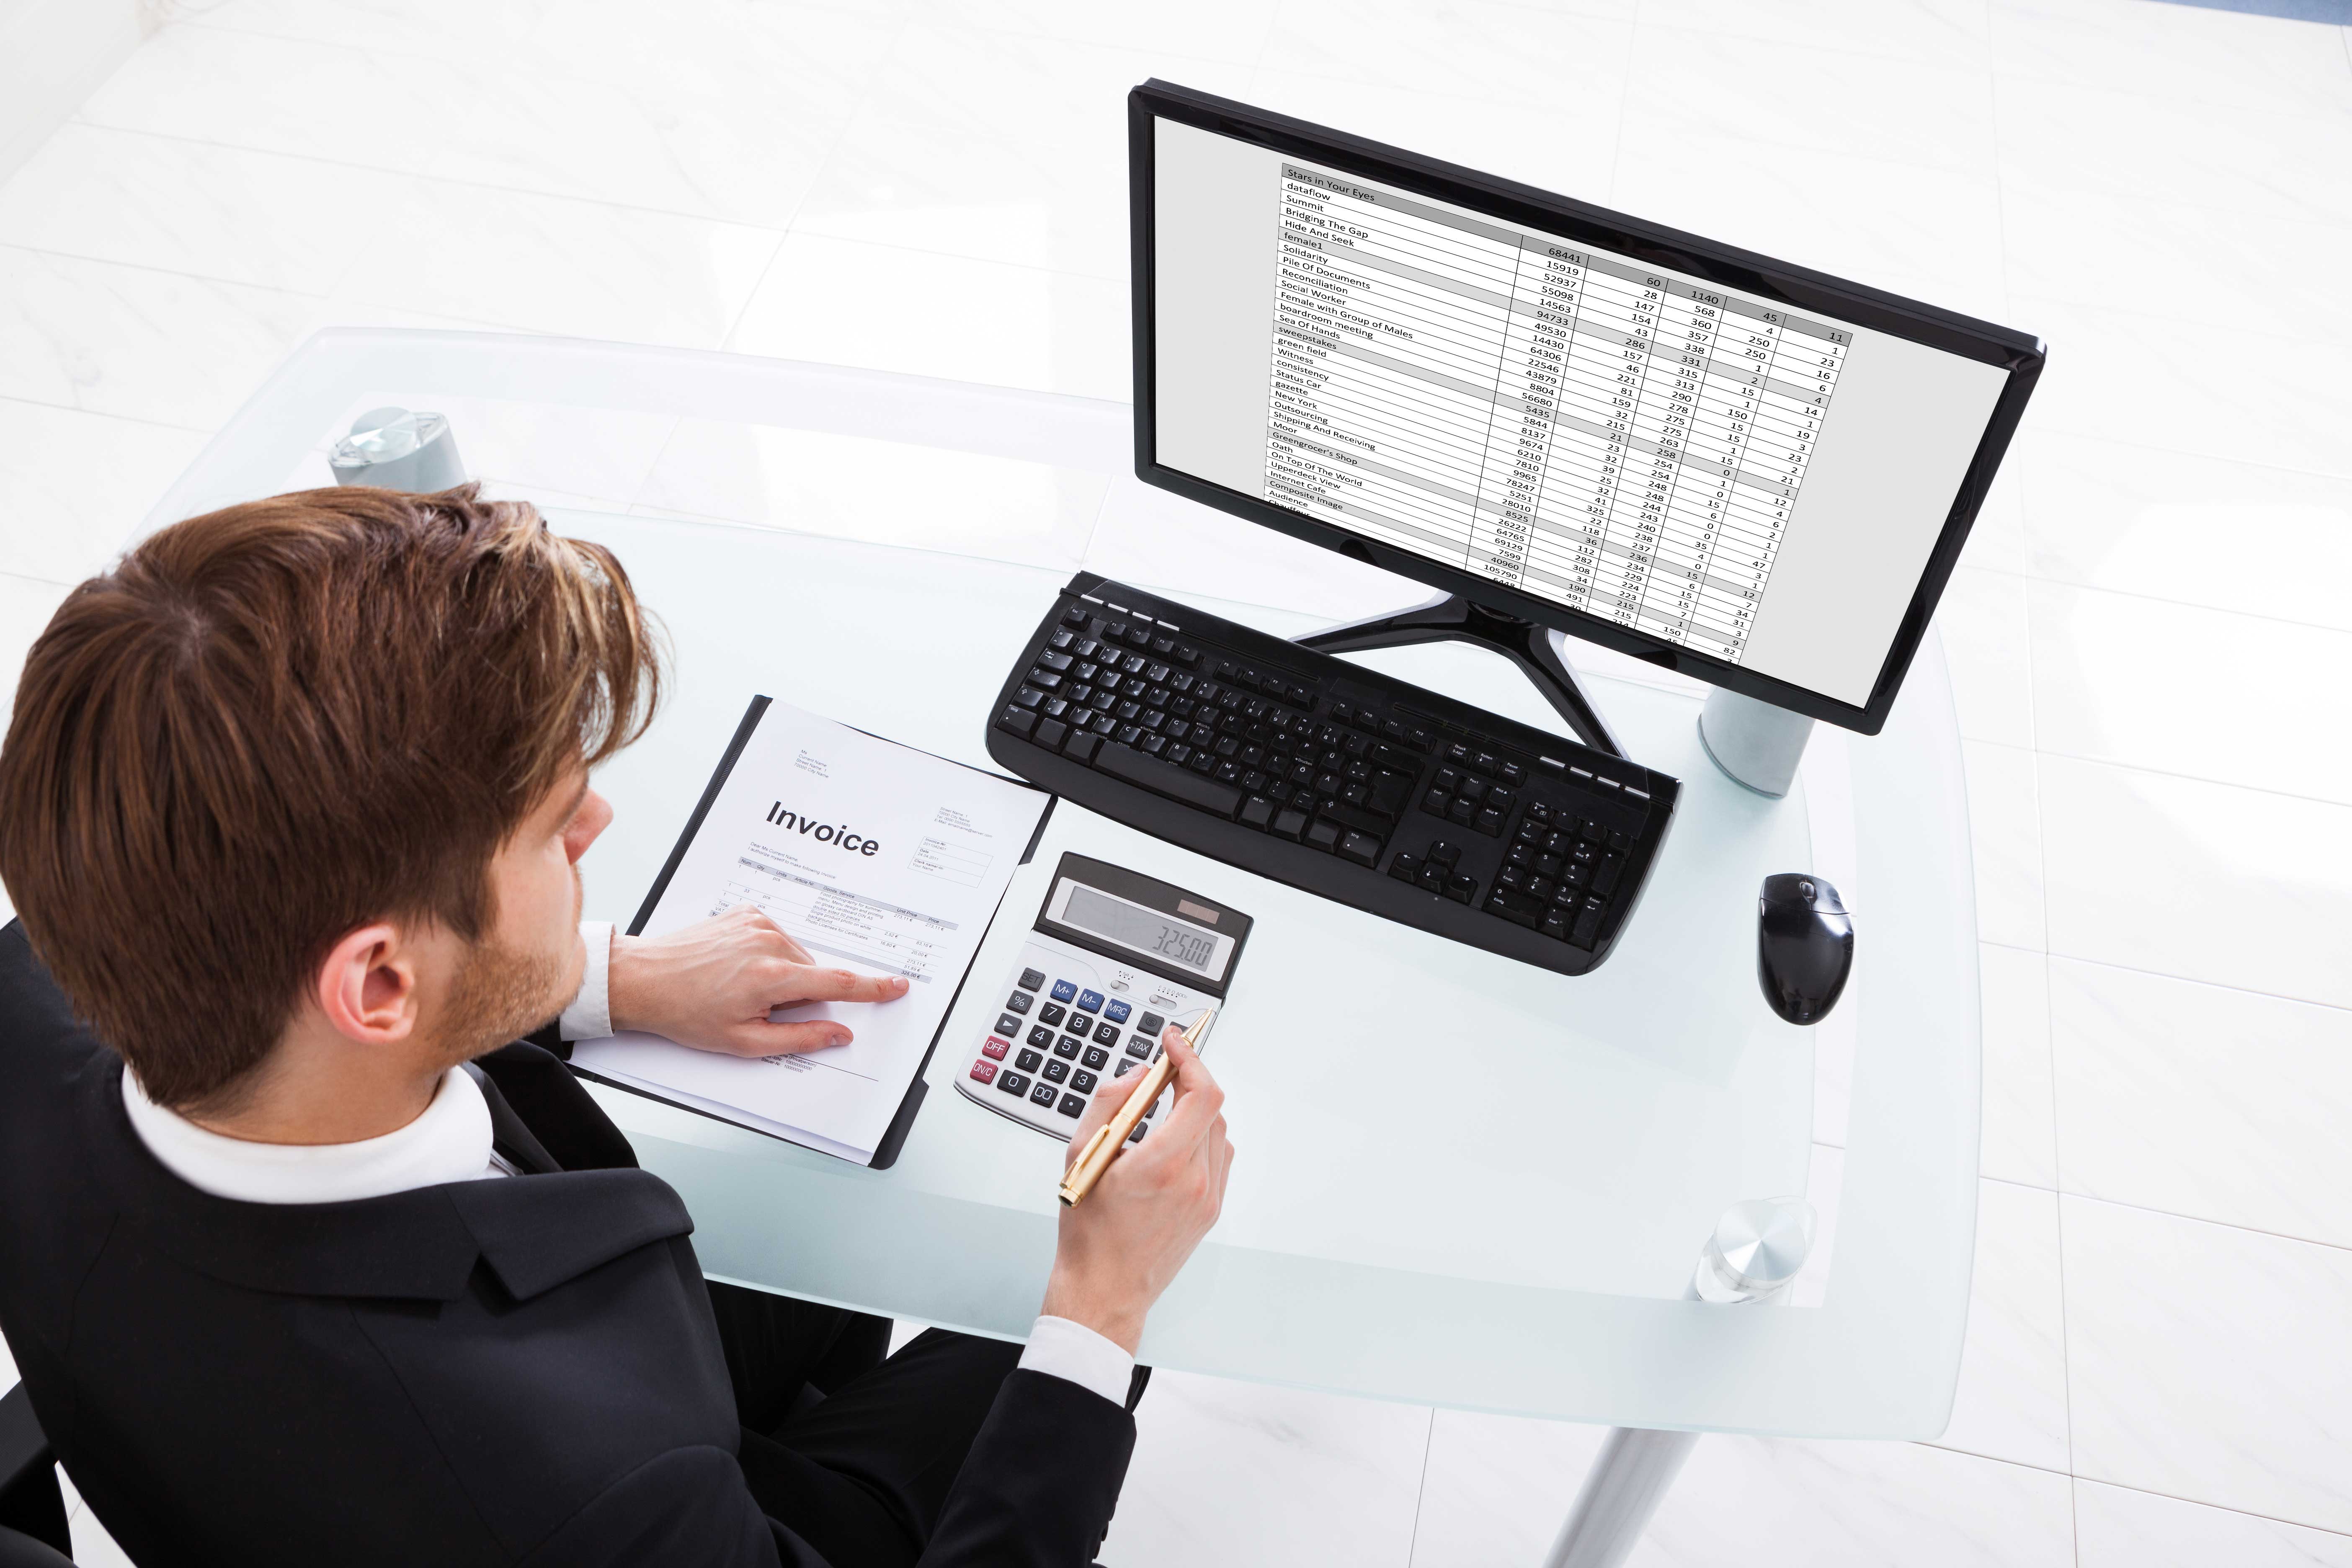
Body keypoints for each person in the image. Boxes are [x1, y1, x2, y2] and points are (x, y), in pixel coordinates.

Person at [0, 485, 1235, 1568]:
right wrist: (1103, 1309)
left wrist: (606, 978)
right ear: (379, 987)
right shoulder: (579, 1500)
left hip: (441, 1376)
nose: (594, 821)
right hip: (692, 1500)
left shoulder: (39, 991)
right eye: (546, 828)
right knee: (1063, 1300)